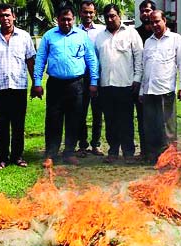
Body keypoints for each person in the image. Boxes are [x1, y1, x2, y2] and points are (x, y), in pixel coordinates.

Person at [32, 4, 99, 165]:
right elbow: (40, 60)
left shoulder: (82, 36)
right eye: (63, 20)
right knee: (53, 119)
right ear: (57, 20)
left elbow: (91, 59)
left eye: (69, 19)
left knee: (74, 119)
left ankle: (69, 152)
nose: (66, 23)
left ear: (74, 19)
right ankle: (51, 154)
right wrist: (36, 82)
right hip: (55, 84)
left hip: (77, 84)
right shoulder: (49, 36)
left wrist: (94, 81)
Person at [0, 3, 36, 170]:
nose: (5, 18)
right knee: (2, 125)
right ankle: (2, 157)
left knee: (18, 124)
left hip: (19, 87)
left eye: (7, 15)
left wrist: (36, 83)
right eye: (1, 15)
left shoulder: (24, 36)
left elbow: (30, 61)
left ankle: (18, 156)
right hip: (0, 88)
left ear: (13, 16)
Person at [95, 4, 143, 164]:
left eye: (113, 15)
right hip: (106, 85)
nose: (110, 19)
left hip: (126, 85)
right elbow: (96, 62)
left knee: (126, 120)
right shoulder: (100, 37)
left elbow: (139, 58)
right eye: (107, 16)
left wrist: (137, 79)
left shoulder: (131, 33)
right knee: (110, 120)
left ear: (119, 15)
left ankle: (129, 152)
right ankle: (113, 151)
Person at [140, 10, 181, 163]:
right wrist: (142, 90)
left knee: (167, 128)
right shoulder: (148, 42)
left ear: (164, 21)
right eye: (151, 22)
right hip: (149, 91)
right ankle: (152, 156)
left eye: (157, 21)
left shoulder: (175, 39)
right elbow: (144, 67)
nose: (154, 25)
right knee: (150, 126)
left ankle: (169, 159)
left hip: (165, 91)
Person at [76, 0, 106, 158]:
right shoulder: (74, 31)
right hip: (80, 79)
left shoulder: (101, 32)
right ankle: (82, 145)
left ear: (95, 14)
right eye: (85, 12)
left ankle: (96, 144)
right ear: (80, 13)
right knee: (80, 112)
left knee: (97, 113)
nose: (88, 15)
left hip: (98, 78)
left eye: (91, 12)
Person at [135, 0, 156, 161]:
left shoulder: (161, 31)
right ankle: (144, 151)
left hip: (159, 84)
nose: (145, 14)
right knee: (143, 119)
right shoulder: (135, 33)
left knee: (159, 120)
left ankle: (160, 152)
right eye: (142, 11)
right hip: (141, 83)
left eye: (148, 10)